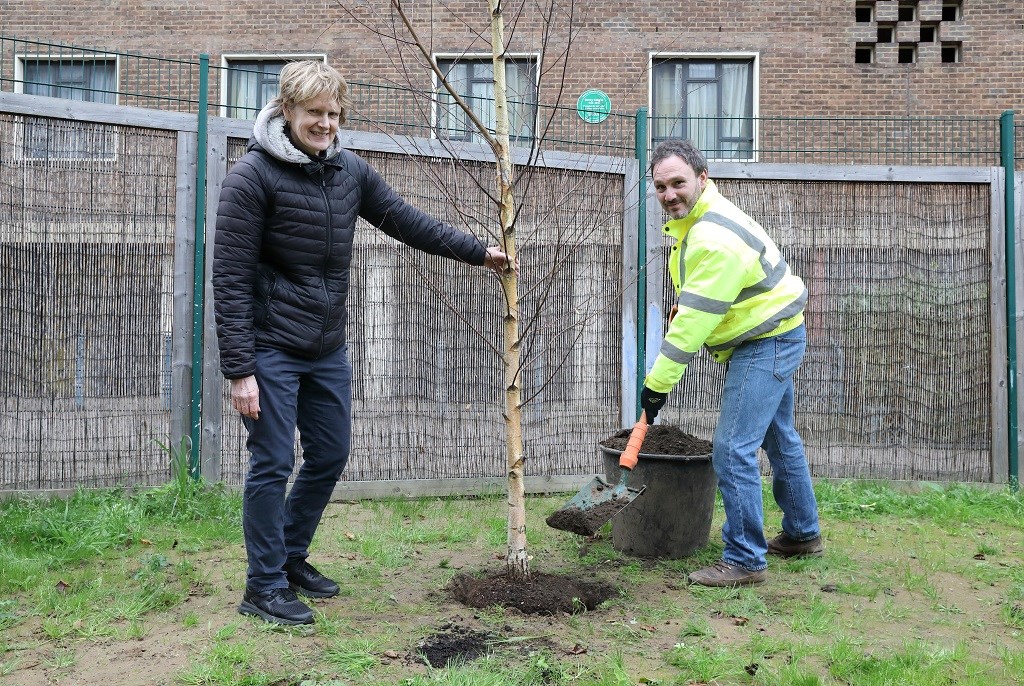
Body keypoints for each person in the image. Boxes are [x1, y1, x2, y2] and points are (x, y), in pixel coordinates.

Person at [212, 60, 514, 625]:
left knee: (328, 454)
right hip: (270, 344)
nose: (325, 124)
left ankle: (291, 558)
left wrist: (476, 251)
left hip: (325, 345)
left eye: (333, 114)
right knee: (273, 460)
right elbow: (228, 277)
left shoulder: (348, 170)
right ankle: (262, 586)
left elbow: (403, 218)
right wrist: (239, 370)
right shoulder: (250, 178)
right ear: (286, 111)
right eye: (314, 113)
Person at [639, 139, 823, 588]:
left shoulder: (713, 238)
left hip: (766, 341)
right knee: (779, 438)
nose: (669, 194)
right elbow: (700, 300)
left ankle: (744, 559)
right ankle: (802, 533)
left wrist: (656, 387)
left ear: (702, 178)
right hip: (775, 330)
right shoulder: (701, 219)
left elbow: (689, 331)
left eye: (678, 183)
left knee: (732, 448)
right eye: (660, 186)